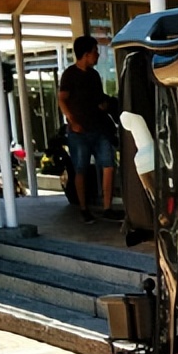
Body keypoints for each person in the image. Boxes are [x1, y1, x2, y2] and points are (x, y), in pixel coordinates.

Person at [57, 35, 119, 224]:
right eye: (94, 51)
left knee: (108, 164)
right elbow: (61, 98)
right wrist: (72, 119)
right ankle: (84, 208)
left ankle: (107, 207)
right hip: (79, 131)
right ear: (85, 54)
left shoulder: (94, 75)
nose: (97, 55)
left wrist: (106, 105)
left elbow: (98, 97)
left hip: (98, 127)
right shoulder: (70, 75)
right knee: (81, 168)